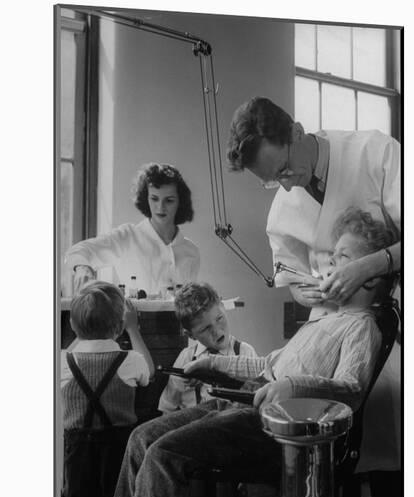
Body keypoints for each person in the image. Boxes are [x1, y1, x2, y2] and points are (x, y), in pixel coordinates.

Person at [103, 209, 395, 497]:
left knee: (163, 456)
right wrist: (214, 364)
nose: (330, 264)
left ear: (369, 275)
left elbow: (351, 389)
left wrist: (291, 385)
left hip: (272, 426)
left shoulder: (362, 326)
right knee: (140, 439)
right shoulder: (326, 319)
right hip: (242, 406)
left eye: (342, 257)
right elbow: (267, 364)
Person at [226, 96, 400, 313]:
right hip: (329, 316)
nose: (286, 186)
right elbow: (292, 276)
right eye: (273, 180)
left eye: (284, 169)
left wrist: (368, 267)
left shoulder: (377, 152)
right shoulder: (282, 209)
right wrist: (304, 293)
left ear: (296, 132)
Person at [60, 281, 154, 497]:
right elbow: (150, 373)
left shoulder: (62, 361)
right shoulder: (131, 361)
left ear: (73, 326)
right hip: (120, 449)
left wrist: (83, 327)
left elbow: (77, 346)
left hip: (77, 451)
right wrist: (133, 330)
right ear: (119, 326)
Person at [65, 163, 200, 296]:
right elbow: (78, 251)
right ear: (146, 199)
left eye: (169, 200)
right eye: (154, 199)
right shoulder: (128, 237)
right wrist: (82, 268)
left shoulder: (191, 251)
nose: (160, 207)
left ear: (180, 202)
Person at [158, 282, 256, 412]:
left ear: (222, 306)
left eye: (219, 318)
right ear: (191, 335)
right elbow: (168, 407)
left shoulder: (245, 352)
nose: (216, 331)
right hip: (195, 425)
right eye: (206, 328)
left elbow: (257, 396)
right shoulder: (186, 359)